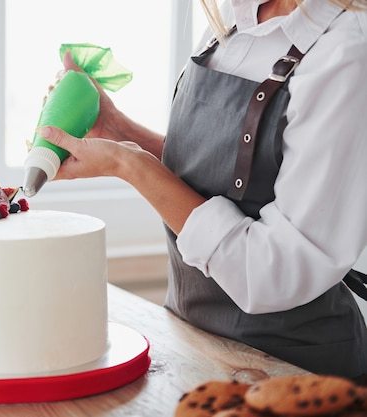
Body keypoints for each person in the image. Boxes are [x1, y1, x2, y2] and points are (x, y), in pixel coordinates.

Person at [37, 0, 367, 381]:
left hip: (294, 373)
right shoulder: (230, 17)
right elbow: (215, 175)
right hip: (193, 347)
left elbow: (273, 271)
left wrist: (128, 164)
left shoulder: (346, 49)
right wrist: (121, 132)